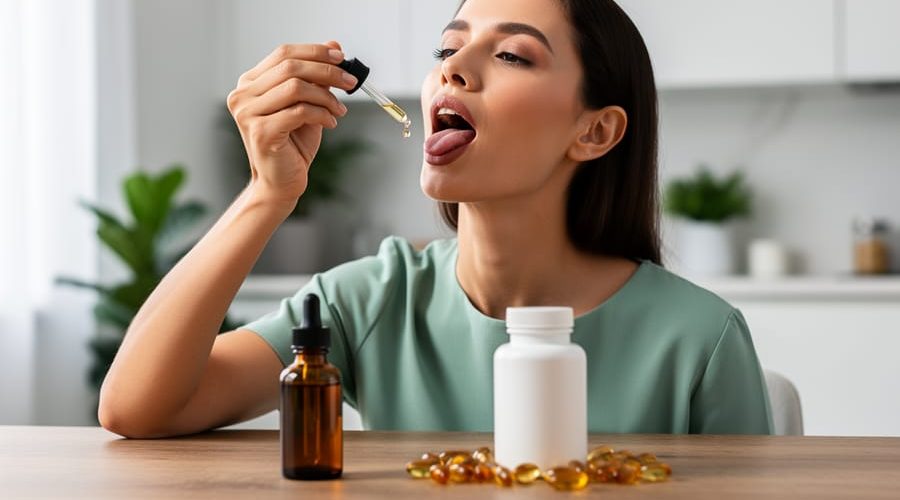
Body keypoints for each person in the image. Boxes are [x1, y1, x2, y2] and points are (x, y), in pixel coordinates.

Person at [98, 0, 773, 438]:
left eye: (510, 54)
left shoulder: (699, 339)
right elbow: (138, 409)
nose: (454, 70)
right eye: (446, 51)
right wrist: (265, 195)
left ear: (594, 132)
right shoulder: (367, 301)